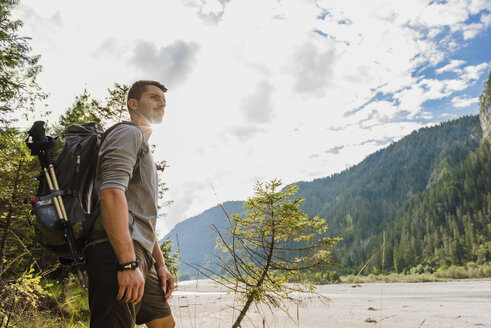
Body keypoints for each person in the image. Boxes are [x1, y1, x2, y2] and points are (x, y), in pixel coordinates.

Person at [85, 80, 176, 328]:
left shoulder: (143, 145)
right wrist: (126, 263)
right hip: (118, 251)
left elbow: (141, 215)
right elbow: (111, 192)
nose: (162, 104)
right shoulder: (128, 133)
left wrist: (160, 264)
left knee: (165, 324)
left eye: (164, 101)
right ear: (133, 104)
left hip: (140, 255)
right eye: (154, 98)